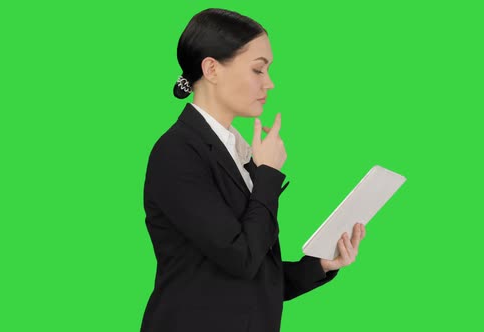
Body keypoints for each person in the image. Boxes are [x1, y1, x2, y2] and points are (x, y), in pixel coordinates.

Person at [141, 8, 366, 332]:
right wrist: (268, 174)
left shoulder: (236, 151)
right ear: (212, 69)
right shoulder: (176, 153)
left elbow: (255, 276)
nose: (270, 83)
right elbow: (242, 258)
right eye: (258, 70)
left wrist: (320, 264)